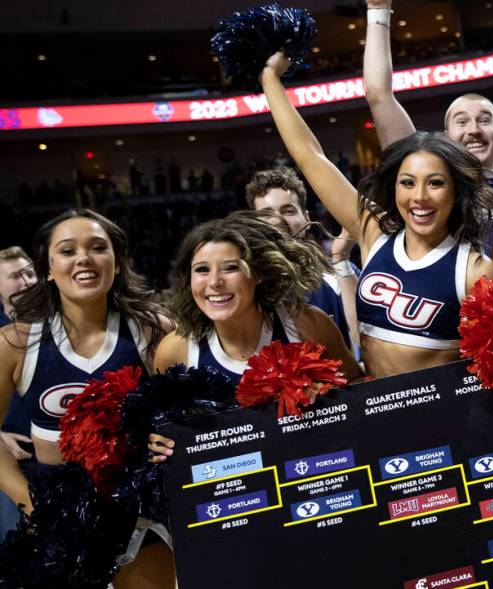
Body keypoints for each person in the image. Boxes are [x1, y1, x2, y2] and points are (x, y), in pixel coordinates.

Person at [260, 52, 493, 378]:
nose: (419, 197)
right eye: (407, 183)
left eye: (435, 183)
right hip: (376, 415)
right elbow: (310, 157)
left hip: (445, 422)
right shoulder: (374, 233)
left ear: (456, 191)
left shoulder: (476, 270)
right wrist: (270, 79)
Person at [0, 210, 173, 588]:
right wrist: (31, 503)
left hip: (138, 508)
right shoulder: (15, 343)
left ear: (117, 262)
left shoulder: (152, 329)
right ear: (47, 268)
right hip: (58, 511)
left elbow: (188, 411)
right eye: (67, 250)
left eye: (98, 247)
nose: (84, 258)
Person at [360, 0, 493, 255]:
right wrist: (379, 11)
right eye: (461, 121)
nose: (473, 129)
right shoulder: (433, 187)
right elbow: (379, 95)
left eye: (485, 120)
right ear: (447, 138)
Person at [151, 211, 359, 384]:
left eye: (231, 268)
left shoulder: (309, 325)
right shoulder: (175, 352)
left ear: (258, 273)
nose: (214, 282)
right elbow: (161, 427)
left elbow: (358, 390)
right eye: (202, 270)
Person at [244, 167, 359, 351]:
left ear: (306, 218)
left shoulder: (339, 271)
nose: (276, 221)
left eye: (288, 211)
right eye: (266, 214)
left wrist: (341, 260)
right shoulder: (244, 282)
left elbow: (366, 340)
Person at [0, 246, 35, 542]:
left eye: (30, 273)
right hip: (14, 466)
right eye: (15, 276)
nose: (26, 282)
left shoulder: (60, 324)